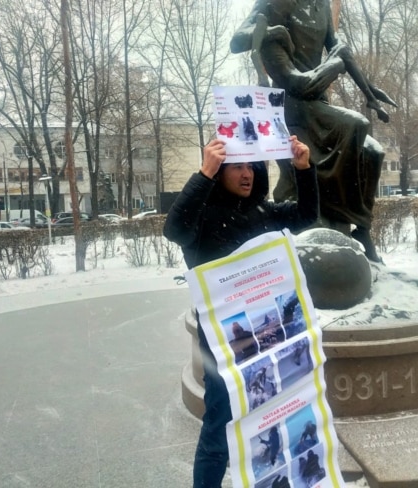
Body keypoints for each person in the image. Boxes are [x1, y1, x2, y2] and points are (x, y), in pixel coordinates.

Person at [163, 135, 319, 488]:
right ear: (220, 171)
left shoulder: (263, 213)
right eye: (236, 166)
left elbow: (308, 213)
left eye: (251, 165)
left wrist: (303, 167)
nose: (246, 173)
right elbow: (173, 230)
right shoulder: (202, 220)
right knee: (220, 428)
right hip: (225, 348)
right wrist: (204, 171)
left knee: (274, 418)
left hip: (272, 340)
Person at [230, 0, 396, 262]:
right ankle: (336, 210)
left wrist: (368, 90)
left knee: (373, 152)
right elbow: (238, 40)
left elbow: (339, 48)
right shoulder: (275, 3)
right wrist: (271, 32)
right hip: (292, 104)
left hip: (318, 102)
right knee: (356, 125)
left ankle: (361, 228)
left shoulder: (321, 6)